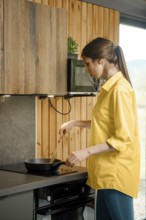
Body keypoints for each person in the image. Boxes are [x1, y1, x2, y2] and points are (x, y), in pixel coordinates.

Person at [58, 37, 140, 220]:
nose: (86, 69)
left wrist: (86, 151)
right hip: (105, 174)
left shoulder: (120, 90)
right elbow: (104, 122)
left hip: (116, 174)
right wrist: (75, 123)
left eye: (88, 64)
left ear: (100, 61)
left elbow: (122, 138)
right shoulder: (108, 88)